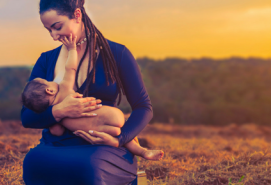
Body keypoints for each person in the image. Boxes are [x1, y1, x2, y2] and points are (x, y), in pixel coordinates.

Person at [21, 0, 181, 185]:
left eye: (57, 26)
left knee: (88, 168)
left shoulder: (116, 54)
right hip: (58, 142)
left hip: (105, 145)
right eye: (48, 29)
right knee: (34, 162)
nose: (53, 35)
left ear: (77, 15)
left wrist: (119, 140)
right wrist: (59, 111)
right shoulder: (46, 60)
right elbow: (27, 116)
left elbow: (144, 108)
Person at [21, 30, 164, 162]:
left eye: (57, 26)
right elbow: (71, 68)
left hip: (97, 130)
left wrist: (56, 117)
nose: (53, 35)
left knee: (116, 133)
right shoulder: (64, 90)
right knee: (120, 133)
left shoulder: (55, 118)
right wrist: (72, 50)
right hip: (110, 116)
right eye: (48, 82)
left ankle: (141, 150)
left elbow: (57, 132)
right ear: (49, 91)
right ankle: (143, 151)